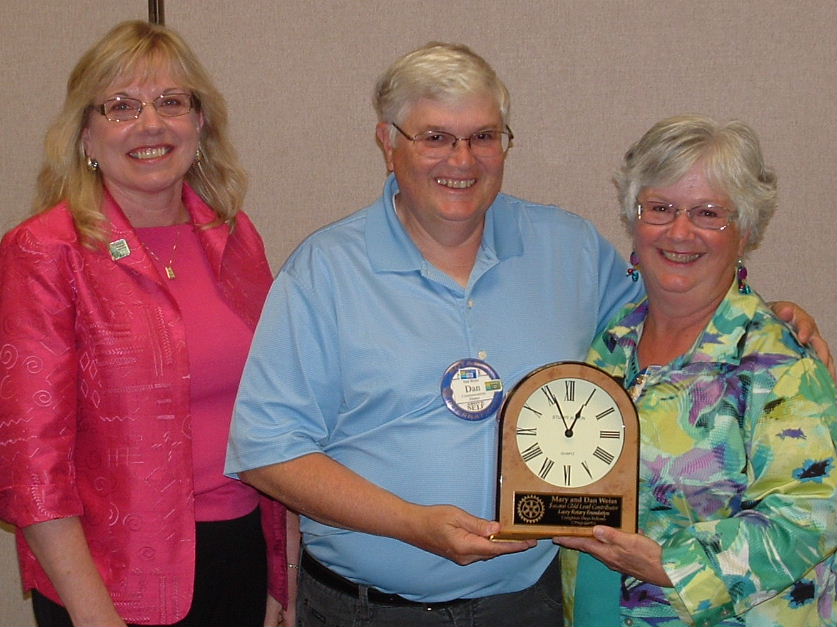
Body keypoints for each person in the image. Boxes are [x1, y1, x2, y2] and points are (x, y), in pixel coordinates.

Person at [225, 43, 828, 627]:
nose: (462, 160)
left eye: (483, 136)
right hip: (367, 609)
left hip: (532, 604)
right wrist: (412, 523)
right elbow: (267, 452)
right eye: (436, 137)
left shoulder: (569, 250)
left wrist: (770, 315)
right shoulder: (325, 270)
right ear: (388, 143)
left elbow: (679, 302)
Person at [0, 20, 290, 627]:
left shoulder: (234, 236)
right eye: (121, 106)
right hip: (111, 579)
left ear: (200, 123)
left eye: (171, 102)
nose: (151, 124)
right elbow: (31, 467)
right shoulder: (45, 251)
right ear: (86, 133)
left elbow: (278, 412)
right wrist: (94, 614)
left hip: (239, 552)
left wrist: (278, 577)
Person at [555, 115, 837, 627]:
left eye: (708, 213)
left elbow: (813, 513)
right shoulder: (613, 340)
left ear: (745, 232)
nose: (679, 231)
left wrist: (677, 566)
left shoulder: (778, 363)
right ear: (634, 219)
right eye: (660, 208)